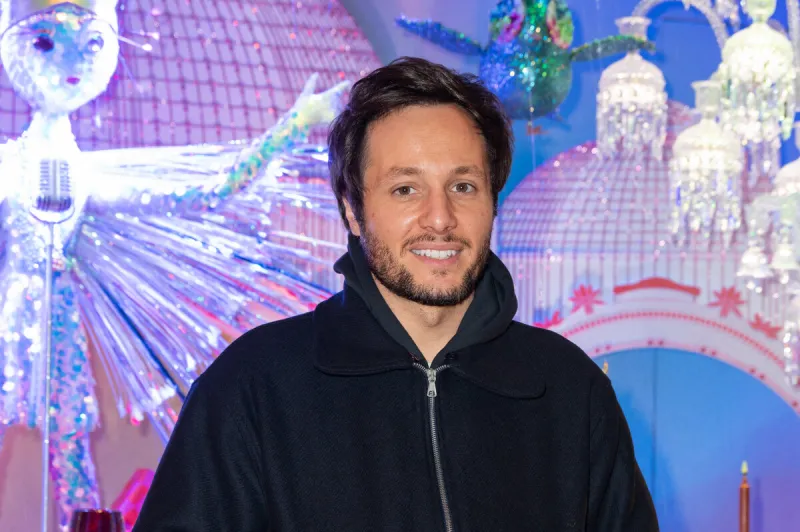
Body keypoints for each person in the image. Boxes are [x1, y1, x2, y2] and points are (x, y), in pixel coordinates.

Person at [133, 56, 658, 531]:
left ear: (493, 201)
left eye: (464, 186)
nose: (440, 218)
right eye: (406, 188)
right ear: (351, 210)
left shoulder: (568, 389)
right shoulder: (251, 388)